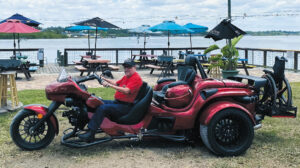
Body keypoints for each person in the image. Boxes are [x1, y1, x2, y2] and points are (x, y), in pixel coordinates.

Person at [78, 58, 143, 142]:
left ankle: (91, 133)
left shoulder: (136, 78)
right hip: (118, 103)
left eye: (129, 67)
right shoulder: (127, 76)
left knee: (102, 108)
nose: (126, 69)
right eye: (125, 67)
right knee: (96, 102)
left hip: (126, 107)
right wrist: (103, 79)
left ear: (135, 67)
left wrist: (109, 85)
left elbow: (126, 90)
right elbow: (116, 83)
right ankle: (87, 126)